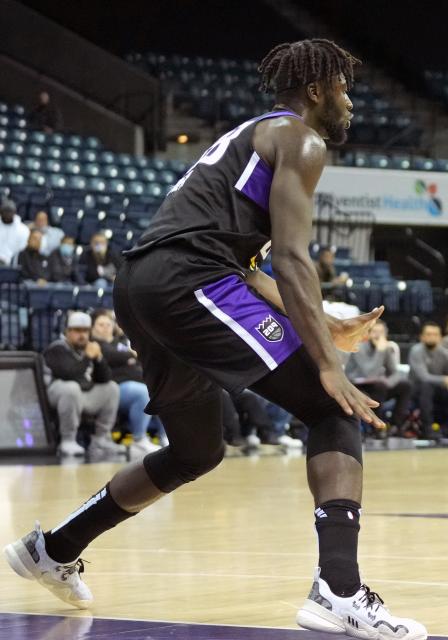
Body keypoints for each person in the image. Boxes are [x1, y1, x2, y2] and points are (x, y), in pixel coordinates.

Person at [4, 39, 425, 639]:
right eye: (344, 88)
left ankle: (54, 547)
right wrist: (327, 364)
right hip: (189, 280)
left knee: (195, 452)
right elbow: (294, 258)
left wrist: (323, 327)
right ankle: (339, 590)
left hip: (147, 285)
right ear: (316, 89)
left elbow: (250, 264)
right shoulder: (302, 141)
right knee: (332, 410)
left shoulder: (251, 138)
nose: (350, 102)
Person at [41, 312, 123, 458]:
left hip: (82, 393)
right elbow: (69, 374)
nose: (82, 335)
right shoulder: (57, 348)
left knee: (111, 388)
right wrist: (87, 357)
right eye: (77, 330)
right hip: (57, 394)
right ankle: (68, 440)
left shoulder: (90, 348)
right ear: (67, 331)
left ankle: (101, 439)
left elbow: (105, 378)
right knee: (71, 388)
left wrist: (98, 359)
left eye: (85, 331)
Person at [90, 309, 162, 460]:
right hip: (115, 389)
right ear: (93, 327)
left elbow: (138, 357)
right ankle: (139, 440)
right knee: (142, 392)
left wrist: (129, 357)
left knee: (165, 389)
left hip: (137, 382)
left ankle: (167, 438)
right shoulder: (94, 344)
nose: (105, 328)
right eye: (100, 324)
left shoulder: (121, 342)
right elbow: (111, 357)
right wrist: (130, 356)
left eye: (108, 324)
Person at [344, 319, 412, 433]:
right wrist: (380, 351)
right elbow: (368, 373)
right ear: (369, 333)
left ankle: (396, 426)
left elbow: (395, 372)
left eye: (381, 332)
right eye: (375, 332)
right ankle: (376, 428)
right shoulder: (359, 347)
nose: (378, 335)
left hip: (378, 386)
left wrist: (388, 383)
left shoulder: (386, 348)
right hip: (357, 386)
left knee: (405, 386)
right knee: (380, 386)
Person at [408, 321, 448, 441]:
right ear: (422, 337)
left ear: (440, 337)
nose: (431, 337)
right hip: (417, 391)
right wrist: (445, 380)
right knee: (427, 385)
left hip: (438, 391)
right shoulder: (416, 351)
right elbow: (423, 377)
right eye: (428, 334)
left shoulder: (446, 354)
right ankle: (427, 429)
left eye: (435, 334)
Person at [0, 199, 30, 267]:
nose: (7, 214)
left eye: (10, 211)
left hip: (13, 264)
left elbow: (22, 251)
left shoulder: (23, 230)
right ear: (1, 212)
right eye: (5, 211)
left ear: (14, 212)